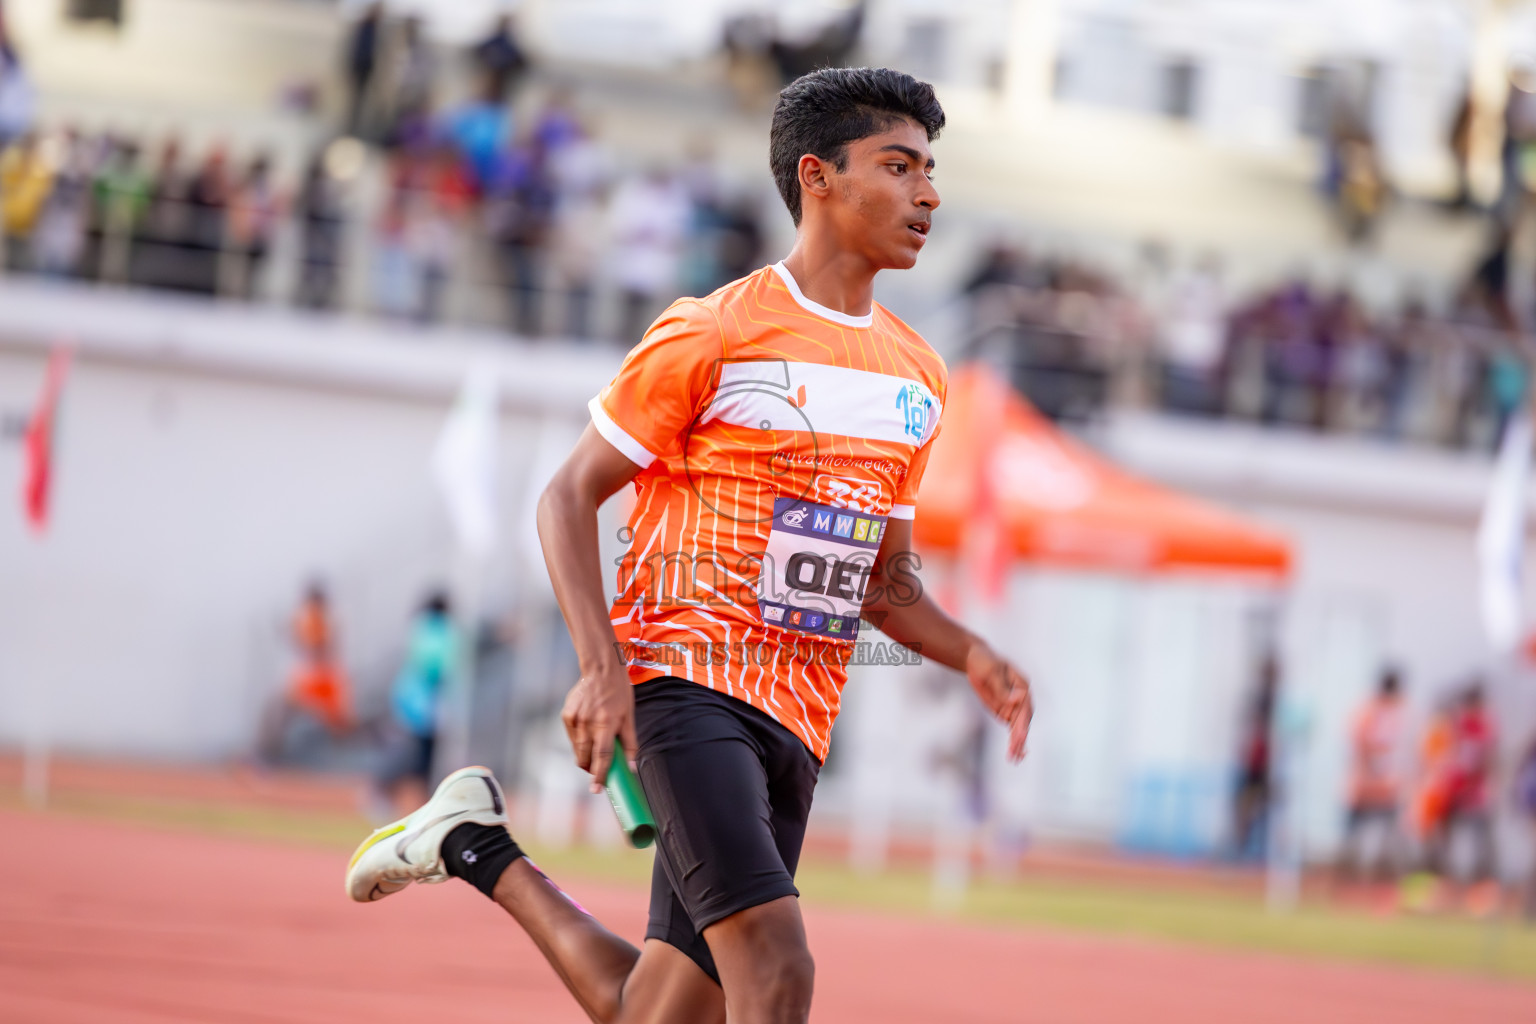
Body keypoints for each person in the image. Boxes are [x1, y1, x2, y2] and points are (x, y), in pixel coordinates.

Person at [345, 67, 1034, 1024]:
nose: (930, 193)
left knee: (661, 1012)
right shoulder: (713, 331)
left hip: (800, 717)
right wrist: (600, 668)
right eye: (900, 164)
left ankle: (471, 845)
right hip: (683, 684)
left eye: (931, 168)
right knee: (779, 971)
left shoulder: (918, 372)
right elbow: (567, 496)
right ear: (818, 177)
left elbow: (884, 583)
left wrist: (973, 654)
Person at [369, 590, 455, 817]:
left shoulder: (419, 628)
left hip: (408, 702)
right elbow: (438, 668)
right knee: (415, 758)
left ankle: (403, 798)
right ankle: (385, 790)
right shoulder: (441, 632)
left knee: (415, 757)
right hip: (423, 709)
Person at [258, 581, 352, 764]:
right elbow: (302, 642)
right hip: (313, 683)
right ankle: (268, 754)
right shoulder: (312, 619)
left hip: (321, 684)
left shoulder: (322, 621)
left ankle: (269, 754)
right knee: (277, 710)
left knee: (280, 709)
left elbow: (319, 648)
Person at [1336, 668, 1407, 886]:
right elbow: (1359, 747)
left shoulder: (1392, 713)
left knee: (1389, 838)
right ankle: (1349, 885)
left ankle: (1377, 884)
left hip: (1383, 787)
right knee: (1354, 839)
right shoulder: (1369, 712)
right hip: (1365, 786)